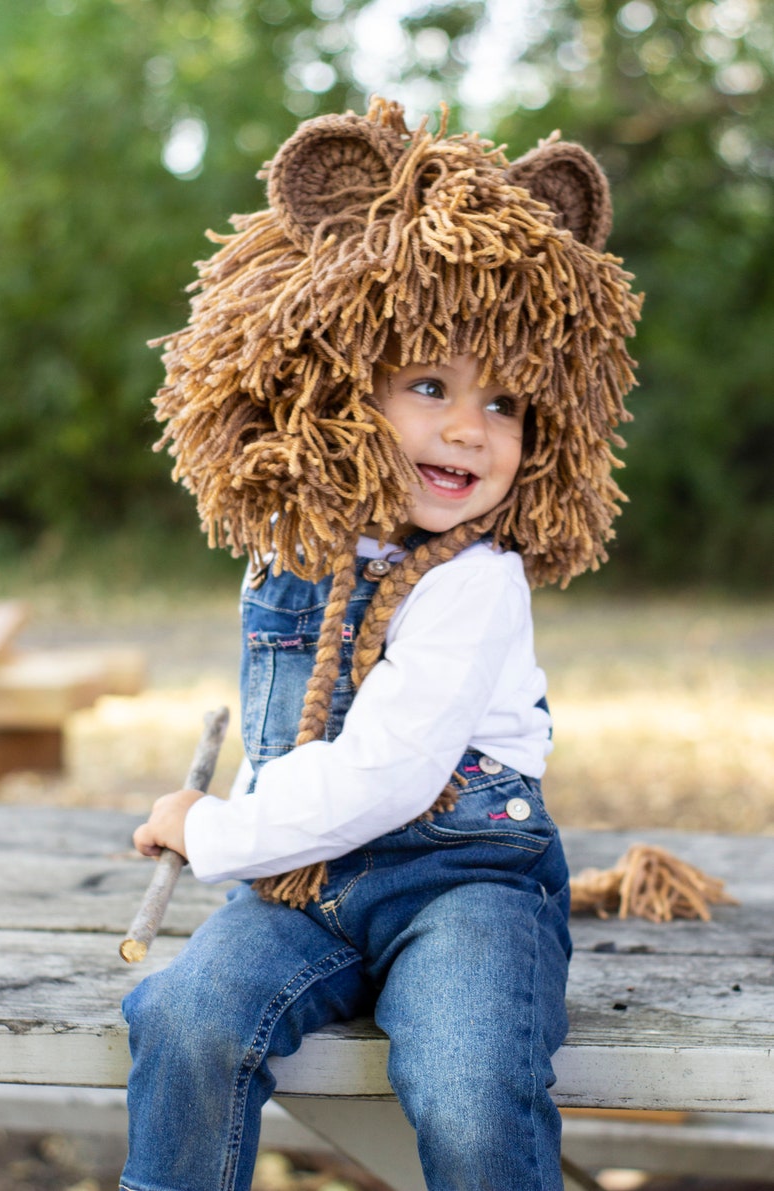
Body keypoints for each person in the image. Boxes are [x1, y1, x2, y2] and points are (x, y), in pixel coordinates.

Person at [120, 97, 642, 1191]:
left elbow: (389, 773)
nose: (468, 428)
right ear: (325, 379)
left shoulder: (476, 586)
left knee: (463, 1075)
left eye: (505, 402)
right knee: (185, 1020)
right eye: (427, 385)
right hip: (302, 882)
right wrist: (247, 844)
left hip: (465, 882)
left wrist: (211, 830)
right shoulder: (287, 548)